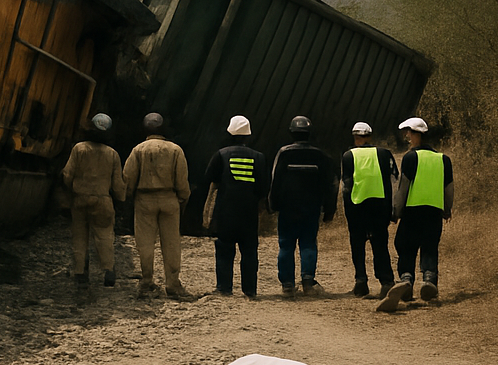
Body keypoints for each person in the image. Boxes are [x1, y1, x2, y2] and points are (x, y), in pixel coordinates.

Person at [377, 118, 454, 312]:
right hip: (434, 212)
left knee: (404, 245)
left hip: (413, 211)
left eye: (408, 133)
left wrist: (396, 211)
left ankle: (406, 280)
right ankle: (429, 280)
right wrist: (446, 209)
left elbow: (403, 187)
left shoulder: (411, 158)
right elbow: (449, 189)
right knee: (429, 246)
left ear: (417, 134)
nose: (407, 137)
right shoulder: (443, 159)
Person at [122, 113, 195, 300]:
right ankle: (173, 284)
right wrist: (182, 198)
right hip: (169, 198)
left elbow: (128, 177)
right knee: (171, 243)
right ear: (163, 129)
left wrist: (128, 196)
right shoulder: (175, 150)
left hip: (144, 199)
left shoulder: (138, 150)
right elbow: (182, 179)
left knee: (145, 243)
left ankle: (146, 282)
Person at [268, 115, 338, 297]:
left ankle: (288, 285)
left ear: (291, 132)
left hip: (288, 208)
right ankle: (308, 282)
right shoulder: (320, 155)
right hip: (311, 208)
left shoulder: (284, 153)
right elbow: (330, 184)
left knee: (286, 246)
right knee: (308, 244)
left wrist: (273, 204)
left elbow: (275, 180)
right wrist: (329, 209)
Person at [203, 115, 269, 298]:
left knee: (224, 248)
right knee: (249, 250)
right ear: (248, 135)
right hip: (249, 212)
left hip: (226, 210)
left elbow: (209, 177)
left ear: (230, 133)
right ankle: (250, 290)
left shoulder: (221, 155)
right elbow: (263, 187)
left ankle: (224, 288)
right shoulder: (259, 157)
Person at [61, 113, 125, 286]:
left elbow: (68, 174)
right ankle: (109, 271)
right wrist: (121, 199)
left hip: (80, 199)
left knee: (80, 236)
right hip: (102, 200)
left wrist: (70, 189)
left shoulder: (79, 148)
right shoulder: (112, 154)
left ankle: (80, 272)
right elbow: (118, 184)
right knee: (104, 235)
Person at [341, 122, 398, 298]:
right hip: (380, 208)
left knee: (357, 245)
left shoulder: (348, 155)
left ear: (355, 137)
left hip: (357, 207)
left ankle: (361, 283)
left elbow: (346, 185)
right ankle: (387, 282)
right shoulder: (384, 154)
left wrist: (347, 211)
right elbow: (395, 179)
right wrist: (393, 209)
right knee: (380, 245)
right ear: (370, 136)